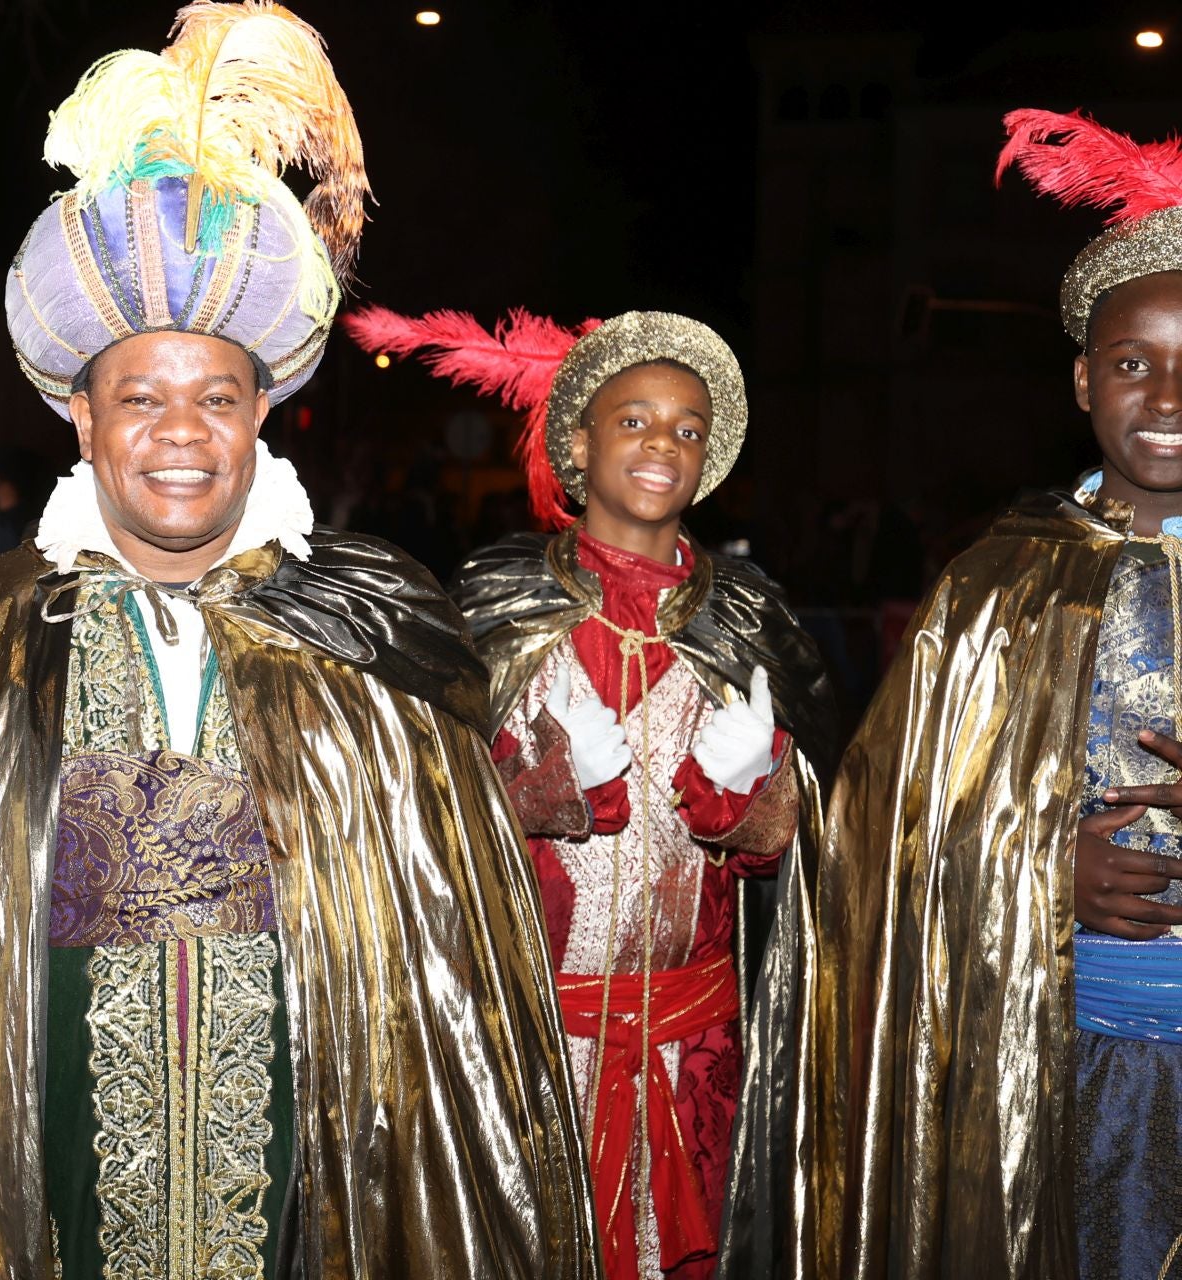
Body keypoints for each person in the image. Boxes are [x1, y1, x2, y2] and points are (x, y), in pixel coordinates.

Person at [0, 6, 599, 1277]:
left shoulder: (356, 639)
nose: (179, 431)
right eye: (140, 396)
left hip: (307, 1182)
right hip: (46, 1175)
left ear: (261, 411)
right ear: (82, 418)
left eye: (213, 396)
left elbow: (442, 986)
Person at [350, 306, 835, 1280]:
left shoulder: (752, 619)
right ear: (578, 443)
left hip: (695, 1054)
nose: (664, 443)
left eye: (689, 427)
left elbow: (823, 845)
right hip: (531, 1049)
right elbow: (402, 809)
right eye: (635, 419)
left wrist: (760, 801)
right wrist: (511, 798)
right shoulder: (493, 603)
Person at [801, 109, 1182, 1280]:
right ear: (1080, 378)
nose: (1165, 393)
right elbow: (886, 835)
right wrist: (1039, 868)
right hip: (1071, 1046)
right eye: (1131, 362)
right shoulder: (998, 582)